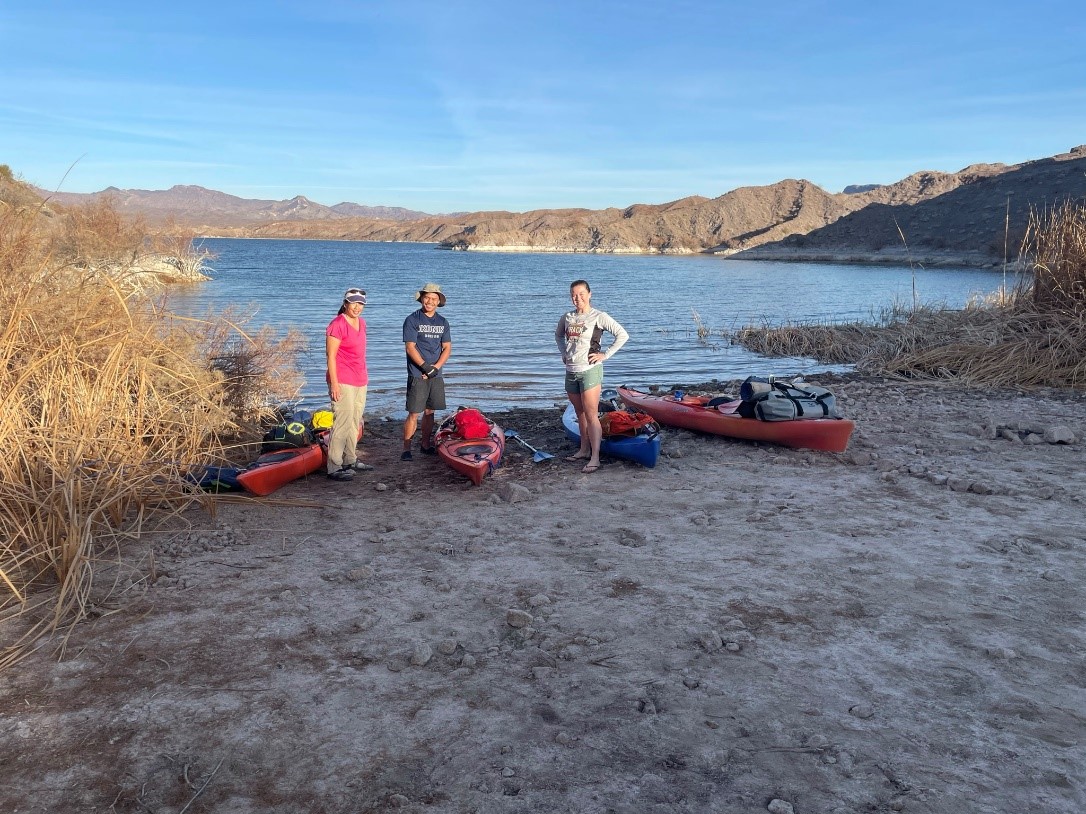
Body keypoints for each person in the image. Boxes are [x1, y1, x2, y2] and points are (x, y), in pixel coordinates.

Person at [555, 279, 629, 473]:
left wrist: (605, 355)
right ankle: (584, 450)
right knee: (579, 414)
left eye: (581, 294)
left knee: (591, 414)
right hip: (571, 371)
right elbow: (558, 336)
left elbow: (622, 335)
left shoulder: (598, 316)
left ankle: (595, 458)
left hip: (590, 371)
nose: (576, 298)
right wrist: (563, 353)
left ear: (589, 294)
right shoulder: (567, 317)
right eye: (573, 295)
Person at [324, 287, 374, 481]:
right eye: (353, 303)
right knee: (342, 422)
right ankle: (334, 466)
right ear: (345, 303)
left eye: (360, 304)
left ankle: (350, 460)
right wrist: (334, 384)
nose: (357, 307)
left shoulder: (362, 323)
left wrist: (364, 376)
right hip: (342, 379)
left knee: (355, 421)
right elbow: (331, 357)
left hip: (360, 379)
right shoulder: (337, 324)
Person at [401, 282, 451, 461]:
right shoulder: (412, 320)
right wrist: (425, 367)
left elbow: (447, 348)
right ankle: (406, 449)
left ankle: (425, 445)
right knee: (414, 412)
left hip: (436, 374)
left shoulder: (443, 322)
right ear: (422, 299)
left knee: (430, 412)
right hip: (417, 373)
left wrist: (435, 368)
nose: (430, 301)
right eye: (427, 297)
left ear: (438, 302)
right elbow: (410, 347)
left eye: (434, 299)